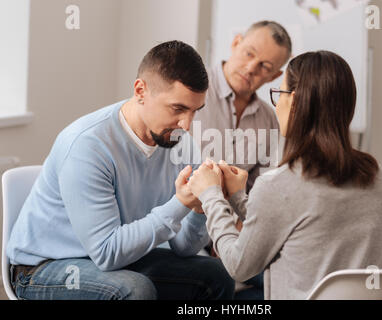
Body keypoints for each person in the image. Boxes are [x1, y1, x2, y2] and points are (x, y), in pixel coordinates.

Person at [6, 40, 235, 300]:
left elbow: (184, 248)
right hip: (43, 268)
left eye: (195, 111)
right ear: (140, 91)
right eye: (178, 109)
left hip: (117, 258)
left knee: (217, 275)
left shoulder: (180, 143)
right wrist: (179, 202)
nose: (187, 124)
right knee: (134, 290)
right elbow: (106, 253)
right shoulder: (88, 145)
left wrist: (198, 206)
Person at [187, 51, 382, 300]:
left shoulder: (279, 184)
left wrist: (211, 196)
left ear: (294, 101)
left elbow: (237, 266)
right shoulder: (374, 174)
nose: (276, 105)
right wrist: (238, 196)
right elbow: (294, 221)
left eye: (279, 94)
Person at [193, 20, 292, 299]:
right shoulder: (192, 92)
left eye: (265, 67)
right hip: (189, 231)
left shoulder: (270, 119)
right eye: (249, 53)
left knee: (288, 275)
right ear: (235, 43)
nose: (251, 69)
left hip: (240, 236)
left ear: (275, 77)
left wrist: (241, 229)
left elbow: (263, 190)